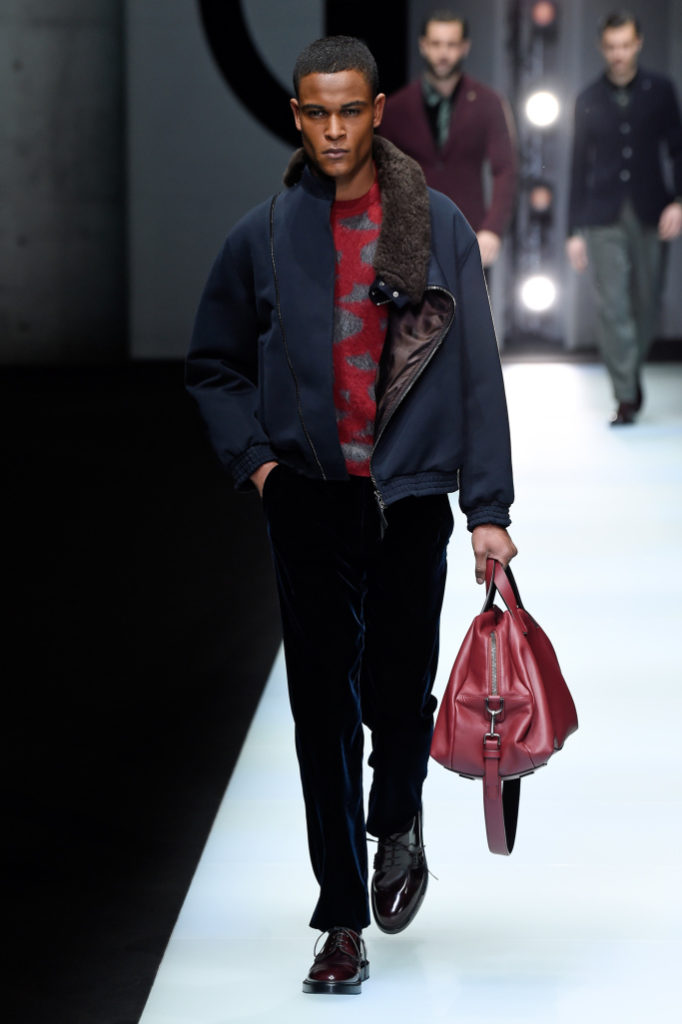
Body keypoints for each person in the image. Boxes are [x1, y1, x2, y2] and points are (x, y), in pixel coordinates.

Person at [186, 35, 516, 995]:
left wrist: (487, 506)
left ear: (377, 112)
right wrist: (260, 472)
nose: (333, 128)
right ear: (298, 117)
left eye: (349, 110)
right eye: (315, 112)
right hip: (309, 499)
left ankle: (400, 815)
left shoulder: (438, 224)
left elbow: (476, 366)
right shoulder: (263, 235)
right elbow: (212, 364)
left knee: (398, 690)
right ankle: (339, 921)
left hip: (411, 498)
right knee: (320, 709)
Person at [566, 10, 682, 425]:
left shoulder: (661, 90)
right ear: (602, 47)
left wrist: (679, 201)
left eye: (625, 45)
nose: (618, 54)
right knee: (612, 305)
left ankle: (629, 375)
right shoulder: (588, 98)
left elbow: (677, 148)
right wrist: (572, 230)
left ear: (638, 43)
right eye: (611, 47)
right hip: (601, 213)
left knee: (647, 302)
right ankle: (626, 396)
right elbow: (577, 166)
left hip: (652, 207)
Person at [379, 9, 517, 268]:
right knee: (413, 308)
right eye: (436, 44)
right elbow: (384, 175)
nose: (443, 54)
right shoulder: (396, 108)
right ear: (423, 46)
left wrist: (493, 228)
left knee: (469, 308)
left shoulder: (487, 102)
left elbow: (505, 169)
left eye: (452, 44)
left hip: (469, 232)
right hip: (411, 236)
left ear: (465, 47)